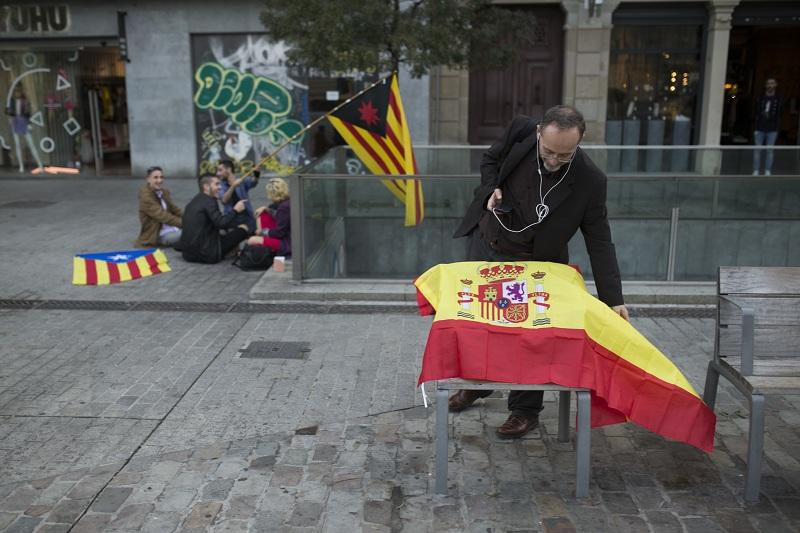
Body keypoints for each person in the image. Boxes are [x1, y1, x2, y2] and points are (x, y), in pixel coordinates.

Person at [449, 105, 629, 439]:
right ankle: (478, 384)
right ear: (537, 133)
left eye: (565, 155)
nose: (554, 160)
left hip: (537, 264)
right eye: (549, 151)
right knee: (478, 322)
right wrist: (491, 189)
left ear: (580, 142)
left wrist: (613, 299)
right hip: (488, 245)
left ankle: (524, 410)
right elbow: (489, 161)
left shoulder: (591, 181)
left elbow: (600, 241)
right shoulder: (520, 129)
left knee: (531, 335)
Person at [180, 174, 249, 264]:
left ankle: (231, 251)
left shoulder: (195, 200)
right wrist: (235, 210)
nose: (220, 187)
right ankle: (230, 252)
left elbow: (217, 222)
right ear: (206, 186)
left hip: (188, 254)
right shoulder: (210, 201)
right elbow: (221, 223)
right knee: (244, 228)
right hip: (207, 254)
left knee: (230, 229)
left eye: (219, 184)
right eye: (216, 184)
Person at [135, 166, 183, 248]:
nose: (159, 180)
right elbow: (163, 216)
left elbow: (175, 209)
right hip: (158, 235)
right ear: (148, 179)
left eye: (161, 177)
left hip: (171, 228)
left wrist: (190, 217)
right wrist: (187, 224)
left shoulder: (164, 192)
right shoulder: (145, 197)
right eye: (155, 178)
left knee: (197, 230)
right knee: (191, 232)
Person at [247, 177, 291, 257]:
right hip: (287, 237)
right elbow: (282, 218)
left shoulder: (283, 207)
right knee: (262, 214)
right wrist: (267, 209)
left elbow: (279, 233)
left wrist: (263, 232)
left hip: (286, 244)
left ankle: (265, 250)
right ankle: (263, 245)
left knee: (251, 240)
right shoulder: (288, 203)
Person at [218, 159, 259, 231]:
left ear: (229, 169)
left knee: (253, 238)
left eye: (220, 170)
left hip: (247, 216)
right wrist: (233, 186)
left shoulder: (241, 180)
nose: (218, 173)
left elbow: (253, 182)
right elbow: (224, 200)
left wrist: (256, 174)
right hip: (231, 218)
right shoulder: (220, 185)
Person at [753, 78, 783, 176]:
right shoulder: (760, 98)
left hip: (772, 128)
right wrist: (755, 128)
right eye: (768, 83)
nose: (770, 85)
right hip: (760, 127)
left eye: (772, 83)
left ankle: (767, 170)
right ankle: (756, 170)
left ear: (775, 85)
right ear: (766, 85)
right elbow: (756, 112)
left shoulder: (779, 98)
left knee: (770, 150)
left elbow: (780, 113)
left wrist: (777, 127)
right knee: (757, 149)